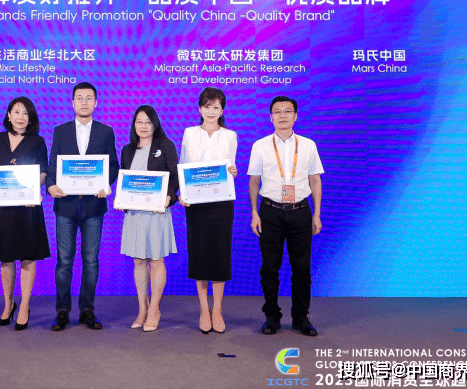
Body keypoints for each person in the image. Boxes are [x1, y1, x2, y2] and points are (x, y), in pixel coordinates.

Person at [248, 96, 324, 337]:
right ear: (270, 117)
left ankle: (301, 318)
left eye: (287, 111)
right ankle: (272, 317)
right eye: (277, 111)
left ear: (296, 116)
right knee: (270, 268)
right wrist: (254, 213)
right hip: (270, 212)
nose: (282, 115)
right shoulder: (260, 145)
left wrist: (317, 214)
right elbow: (254, 181)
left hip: (301, 212)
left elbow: (315, 180)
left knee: (302, 269)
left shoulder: (308, 145)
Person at [46, 82, 119, 331]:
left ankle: (87, 310)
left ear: (96, 103)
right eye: (80, 98)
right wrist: (50, 186)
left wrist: (106, 184)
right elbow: (53, 165)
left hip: (93, 206)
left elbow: (112, 166)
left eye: (89, 98)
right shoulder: (60, 131)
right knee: (64, 262)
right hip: (65, 205)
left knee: (91, 261)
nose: (84, 102)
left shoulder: (106, 131)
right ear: (72, 102)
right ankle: (62, 311)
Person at [0, 97, 50, 331]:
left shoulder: (38, 141)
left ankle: (25, 306)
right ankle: (8, 304)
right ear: (8, 115)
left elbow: (43, 172)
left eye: (25, 113)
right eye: (16, 112)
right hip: (3, 206)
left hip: (28, 207)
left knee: (28, 257)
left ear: (31, 118)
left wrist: (34, 191)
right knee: (6, 256)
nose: (21, 117)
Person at [179, 87, 238, 334]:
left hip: (222, 203)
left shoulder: (230, 135)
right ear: (200, 108)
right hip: (196, 204)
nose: (211, 111)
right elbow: (183, 165)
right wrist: (182, 193)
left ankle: (218, 310)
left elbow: (230, 167)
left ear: (222, 110)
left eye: (216, 107)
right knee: (200, 254)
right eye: (207, 106)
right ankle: (204, 309)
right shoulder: (189, 133)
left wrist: (233, 171)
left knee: (220, 254)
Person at [119, 105, 179, 332]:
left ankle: (154, 309)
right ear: (134, 125)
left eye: (148, 122)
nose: (143, 126)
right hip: (135, 214)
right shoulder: (127, 150)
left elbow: (175, 177)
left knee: (156, 261)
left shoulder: (165, 145)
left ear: (155, 124)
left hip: (156, 213)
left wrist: (169, 197)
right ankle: (142, 309)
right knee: (138, 261)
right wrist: (121, 198)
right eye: (139, 122)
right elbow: (125, 179)